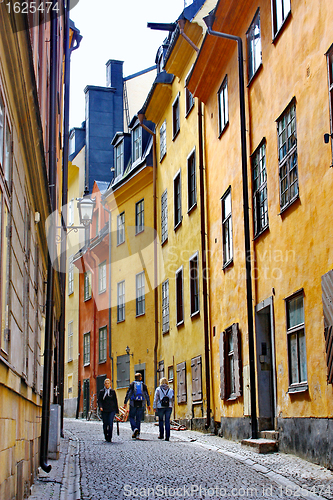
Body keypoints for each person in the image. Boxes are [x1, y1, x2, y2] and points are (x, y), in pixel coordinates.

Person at [124, 373, 151, 439]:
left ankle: (134, 429)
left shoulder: (132, 384)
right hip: (141, 403)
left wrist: (125, 402)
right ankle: (138, 434)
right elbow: (146, 395)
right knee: (138, 419)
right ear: (140, 378)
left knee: (131, 417)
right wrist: (148, 404)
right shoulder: (143, 385)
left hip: (133, 403)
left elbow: (129, 393)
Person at [153, 377, 174, 441]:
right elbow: (172, 399)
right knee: (167, 421)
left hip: (160, 407)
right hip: (168, 407)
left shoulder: (158, 389)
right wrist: (171, 406)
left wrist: (154, 406)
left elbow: (156, 399)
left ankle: (161, 434)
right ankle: (167, 436)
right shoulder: (170, 390)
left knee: (161, 420)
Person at [98, 378, 118, 442]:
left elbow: (115, 401)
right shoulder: (102, 392)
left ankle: (110, 437)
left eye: (108, 383)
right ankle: (106, 435)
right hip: (104, 410)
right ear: (104, 384)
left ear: (110, 384)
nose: (107, 385)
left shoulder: (112, 391)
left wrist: (116, 410)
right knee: (105, 423)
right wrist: (100, 407)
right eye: (106, 383)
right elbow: (99, 401)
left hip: (112, 409)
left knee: (110, 423)